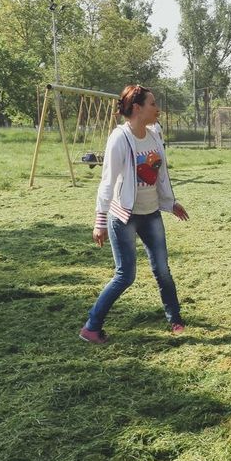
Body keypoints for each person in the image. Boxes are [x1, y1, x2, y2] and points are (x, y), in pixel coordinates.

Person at [79, 85, 189, 344]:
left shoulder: (154, 134)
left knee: (162, 269)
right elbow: (107, 182)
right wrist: (100, 221)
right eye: (152, 104)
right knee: (125, 275)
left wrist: (170, 203)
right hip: (124, 217)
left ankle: (175, 319)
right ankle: (91, 328)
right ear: (137, 108)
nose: (157, 108)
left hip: (151, 214)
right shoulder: (120, 138)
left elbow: (160, 175)